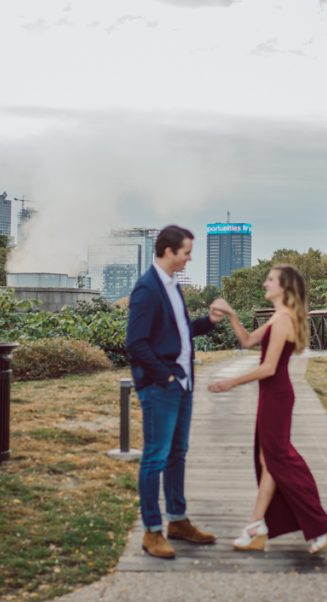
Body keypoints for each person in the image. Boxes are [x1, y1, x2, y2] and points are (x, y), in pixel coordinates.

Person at [208, 265, 327, 556]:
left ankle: (320, 524)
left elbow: (267, 368)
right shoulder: (279, 317)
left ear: (284, 287)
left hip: (277, 396)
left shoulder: (283, 320)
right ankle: (256, 528)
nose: (265, 283)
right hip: (272, 397)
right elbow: (247, 341)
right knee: (269, 461)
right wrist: (231, 314)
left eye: (270, 280)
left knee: (281, 460)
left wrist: (231, 382)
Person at [125, 224, 226, 560]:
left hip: (183, 383)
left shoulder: (172, 286)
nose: (189, 258)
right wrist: (164, 378)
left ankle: (178, 521)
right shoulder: (147, 289)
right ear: (168, 252)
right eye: (186, 252)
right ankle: (152, 532)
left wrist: (208, 321)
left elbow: (179, 332)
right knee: (155, 456)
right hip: (161, 387)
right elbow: (135, 343)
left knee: (177, 453)